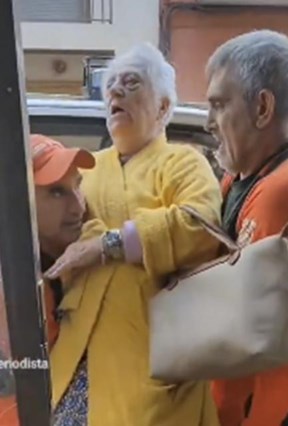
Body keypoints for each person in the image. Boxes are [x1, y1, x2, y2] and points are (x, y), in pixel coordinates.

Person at [45, 43, 223, 425]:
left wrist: (106, 244)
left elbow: (200, 224)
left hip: (154, 359)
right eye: (110, 85)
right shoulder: (89, 169)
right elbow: (58, 234)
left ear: (162, 106)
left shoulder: (183, 163)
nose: (115, 92)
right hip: (79, 355)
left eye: (131, 83)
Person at [205, 30, 288, 425]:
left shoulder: (283, 190)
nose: (208, 122)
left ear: (262, 107)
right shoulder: (241, 179)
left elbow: (238, 320)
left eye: (218, 105)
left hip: (265, 408)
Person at [0, 134, 95, 424]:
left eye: (77, 186)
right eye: (56, 192)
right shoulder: (14, 286)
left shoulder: (79, 255)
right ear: (19, 202)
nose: (78, 207)